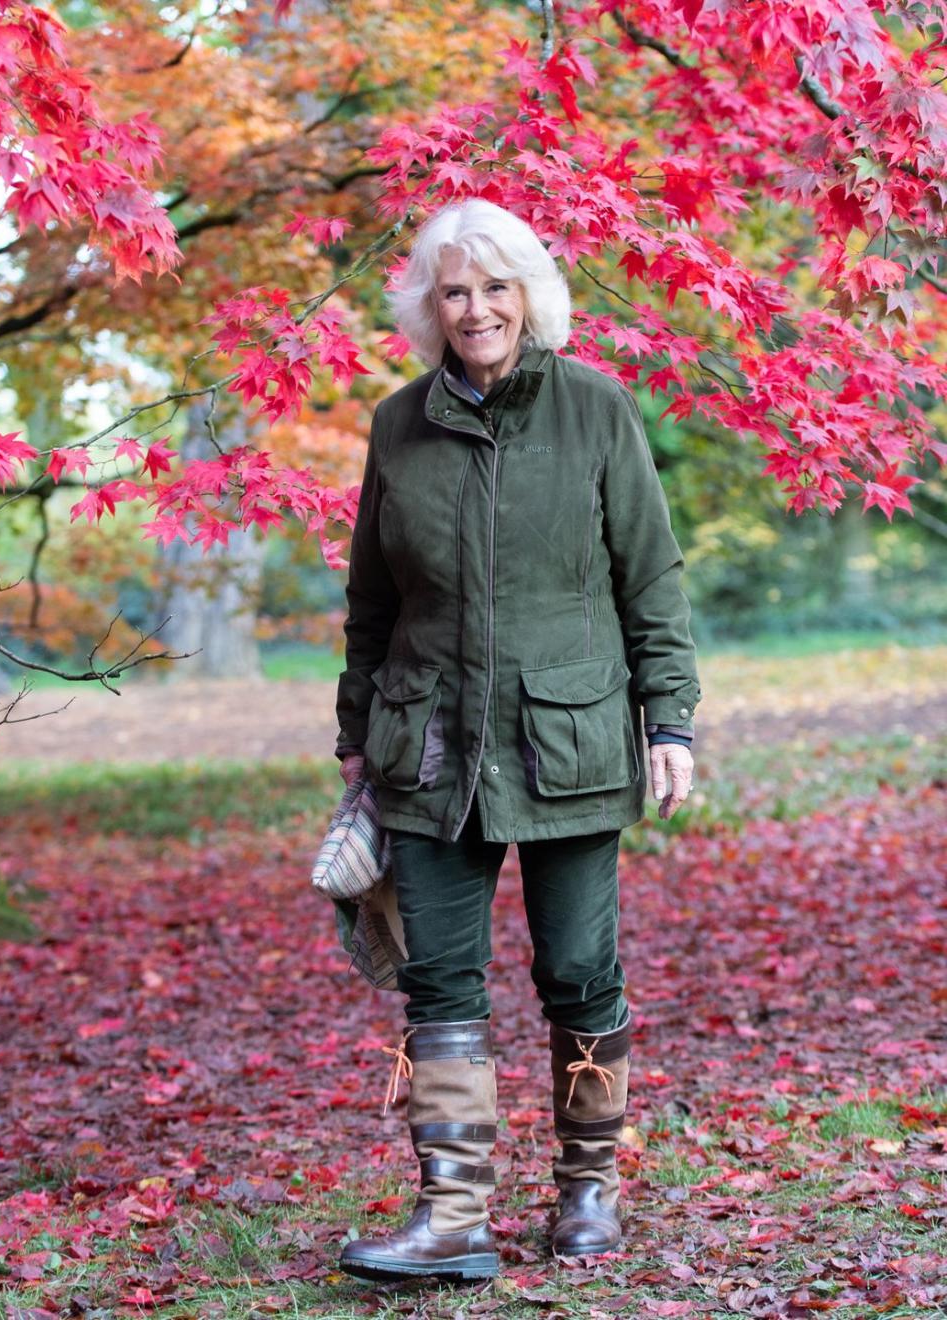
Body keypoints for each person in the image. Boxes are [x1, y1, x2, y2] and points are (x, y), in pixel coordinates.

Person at [333, 198, 701, 1283]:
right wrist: (359, 739)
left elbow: (652, 576)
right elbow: (368, 602)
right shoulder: (397, 426)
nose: (476, 308)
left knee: (581, 972)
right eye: (455, 290)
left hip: (571, 742)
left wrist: (668, 718)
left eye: (496, 287)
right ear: (429, 307)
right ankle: (452, 1217)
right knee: (439, 980)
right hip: (430, 746)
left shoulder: (595, 410)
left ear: (530, 295)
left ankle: (588, 1194)